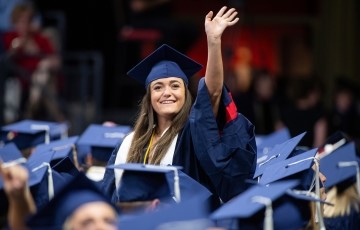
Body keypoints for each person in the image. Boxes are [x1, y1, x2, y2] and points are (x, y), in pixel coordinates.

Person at [102, 6, 257, 208]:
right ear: (149, 98)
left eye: (175, 86)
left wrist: (213, 41)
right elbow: (111, 195)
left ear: (186, 93)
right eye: (158, 87)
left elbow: (214, 92)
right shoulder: (129, 143)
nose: (167, 92)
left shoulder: (192, 135)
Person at [2, 2, 65, 122]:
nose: (23, 25)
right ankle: (61, 122)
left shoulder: (40, 39)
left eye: (27, 21)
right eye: (20, 21)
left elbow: (57, 61)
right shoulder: (9, 37)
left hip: (39, 79)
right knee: (45, 87)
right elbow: (5, 62)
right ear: (14, 22)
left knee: (43, 75)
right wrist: (14, 50)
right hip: (19, 80)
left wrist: (42, 59)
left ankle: (30, 111)